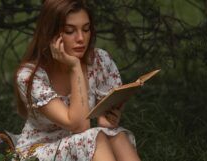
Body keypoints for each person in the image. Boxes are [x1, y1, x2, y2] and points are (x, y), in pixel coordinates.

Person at [10, 0, 141, 160]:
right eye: (69, 31)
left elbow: (102, 119)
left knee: (116, 135)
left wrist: (107, 119)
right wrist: (75, 67)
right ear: (51, 35)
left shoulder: (99, 60)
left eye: (86, 29)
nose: (81, 38)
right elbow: (79, 125)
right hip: (39, 151)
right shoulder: (30, 76)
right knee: (92, 138)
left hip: (82, 142)